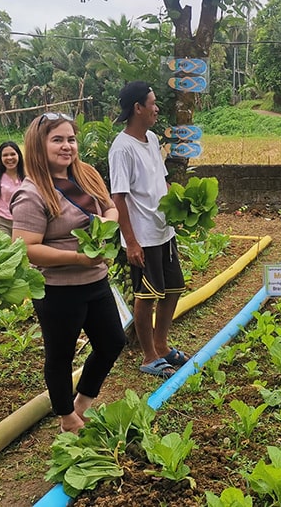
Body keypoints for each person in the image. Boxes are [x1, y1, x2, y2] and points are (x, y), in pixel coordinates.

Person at [11, 112, 126, 434]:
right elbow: (25, 247)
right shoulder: (32, 192)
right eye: (57, 140)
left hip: (96, 279)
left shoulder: (86, 175)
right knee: (60, 355)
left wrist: (107, 227)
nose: (67, 146)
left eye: (71, 139)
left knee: (112, 342)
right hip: (58, 288)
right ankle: (66, 417)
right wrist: (77, 255)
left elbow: (110, 207)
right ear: (39, 145)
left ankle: (82, 404)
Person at [108, 81, 189, 379]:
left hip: (163, 230)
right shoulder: (122, 148)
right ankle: (148, 355)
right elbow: (119, 197)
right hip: (143, 235)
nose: (156, 108)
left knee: (173, 289)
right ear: (137, 108)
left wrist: (181, 204)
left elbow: (162, 181)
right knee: (147, 294)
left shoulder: (152, 139)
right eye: (152, 103)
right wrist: (130, 242)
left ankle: (162, 345)